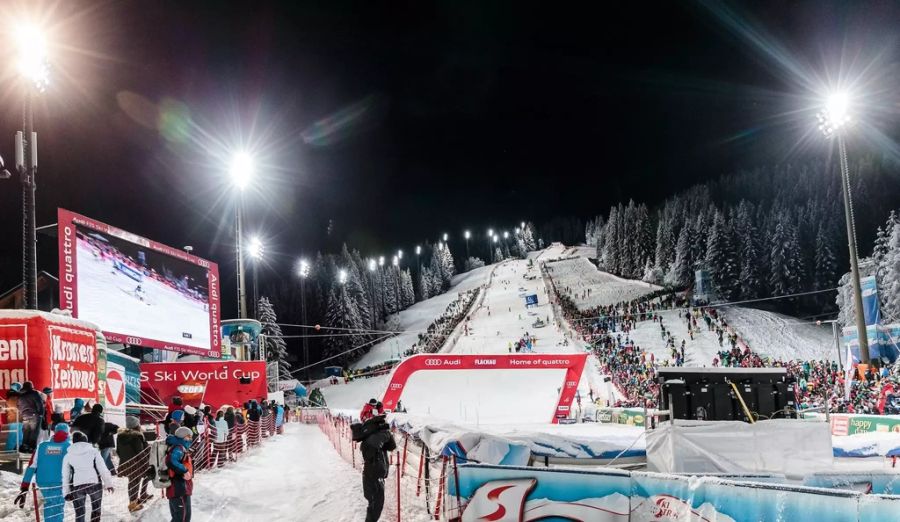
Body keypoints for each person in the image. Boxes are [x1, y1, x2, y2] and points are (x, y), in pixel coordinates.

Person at [14, 423, 72, 522]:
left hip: (43, 482)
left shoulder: (41, 446)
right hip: (60, 482)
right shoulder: (69, 447)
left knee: (50, 504)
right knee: (57, 507)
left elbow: (31, 466)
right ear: (68, 433)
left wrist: (24, 486)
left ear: (55, 432)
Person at [63, 431, 115, 522]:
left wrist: (66, 492)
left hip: (77, 485)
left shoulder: (68, 455)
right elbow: (102, 468)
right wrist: (108, 483)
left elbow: (66, 475)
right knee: (96, 509)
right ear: (86, 440)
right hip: (94, 483)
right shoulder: (94, 452)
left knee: (79, 512)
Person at [359, 412, 396, 522]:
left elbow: (392, 446)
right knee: (375, 507)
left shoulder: (377, 439)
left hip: (377, 477)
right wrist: (384, 433)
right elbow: (376, 442)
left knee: (375, 507)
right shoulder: (369, 441)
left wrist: (388, 433)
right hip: (372, 478)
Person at [116, 416, 151, 512]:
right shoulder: (136, 436)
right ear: (136, 425)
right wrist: (146, 464)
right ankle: (133, 504)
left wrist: (125, 459)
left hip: (126, 463)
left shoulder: (120, 436)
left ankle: (134, 501)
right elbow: (140, 453)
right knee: (135, 483)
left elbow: (118, 451)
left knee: (132, 482)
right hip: (136, 464)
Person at [166, 426, 194, 522]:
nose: (190, 438)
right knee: (182, 517)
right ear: (183, 437)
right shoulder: (179, 447)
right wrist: (184, 471)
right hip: (179, 487)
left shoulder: (180, 446)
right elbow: (171, 460)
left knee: (181, 516)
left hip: (179, 486)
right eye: (189, 436)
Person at [17, 381, 45, 453]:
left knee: (26, 432)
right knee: (34, 432)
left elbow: (18, 406)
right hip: (34, 415)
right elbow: (39, 404)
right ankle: (32, 449)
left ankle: (24, 447)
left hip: (25, 416)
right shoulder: (34, 393)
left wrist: (22, 414)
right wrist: (41, 414)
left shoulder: (21, 395)